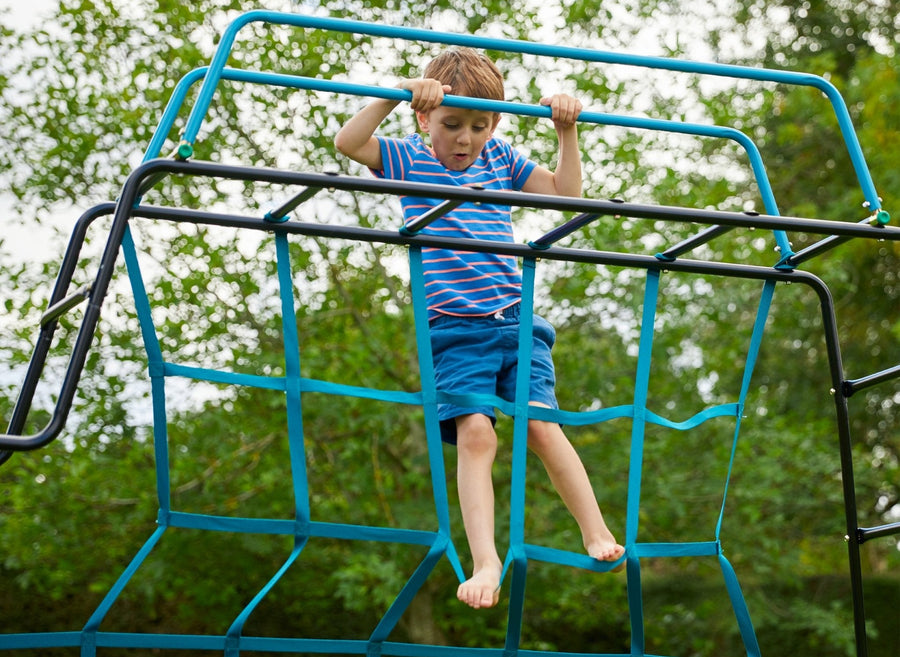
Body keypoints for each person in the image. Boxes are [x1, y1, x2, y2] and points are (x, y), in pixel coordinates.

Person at [334, 48, 624, 610]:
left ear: (494, 125)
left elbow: (569, 199)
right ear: (425, 118)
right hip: (454, 329)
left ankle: (595, 531)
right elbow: (348, 144)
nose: (465, 138)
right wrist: (397, 92)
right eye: (452, 124)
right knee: (477, 435)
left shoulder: (502, 159)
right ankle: (486, 559)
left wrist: (567, 130)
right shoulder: (406, 159)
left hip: (516, 319)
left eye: (479, 125)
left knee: (541, 427)